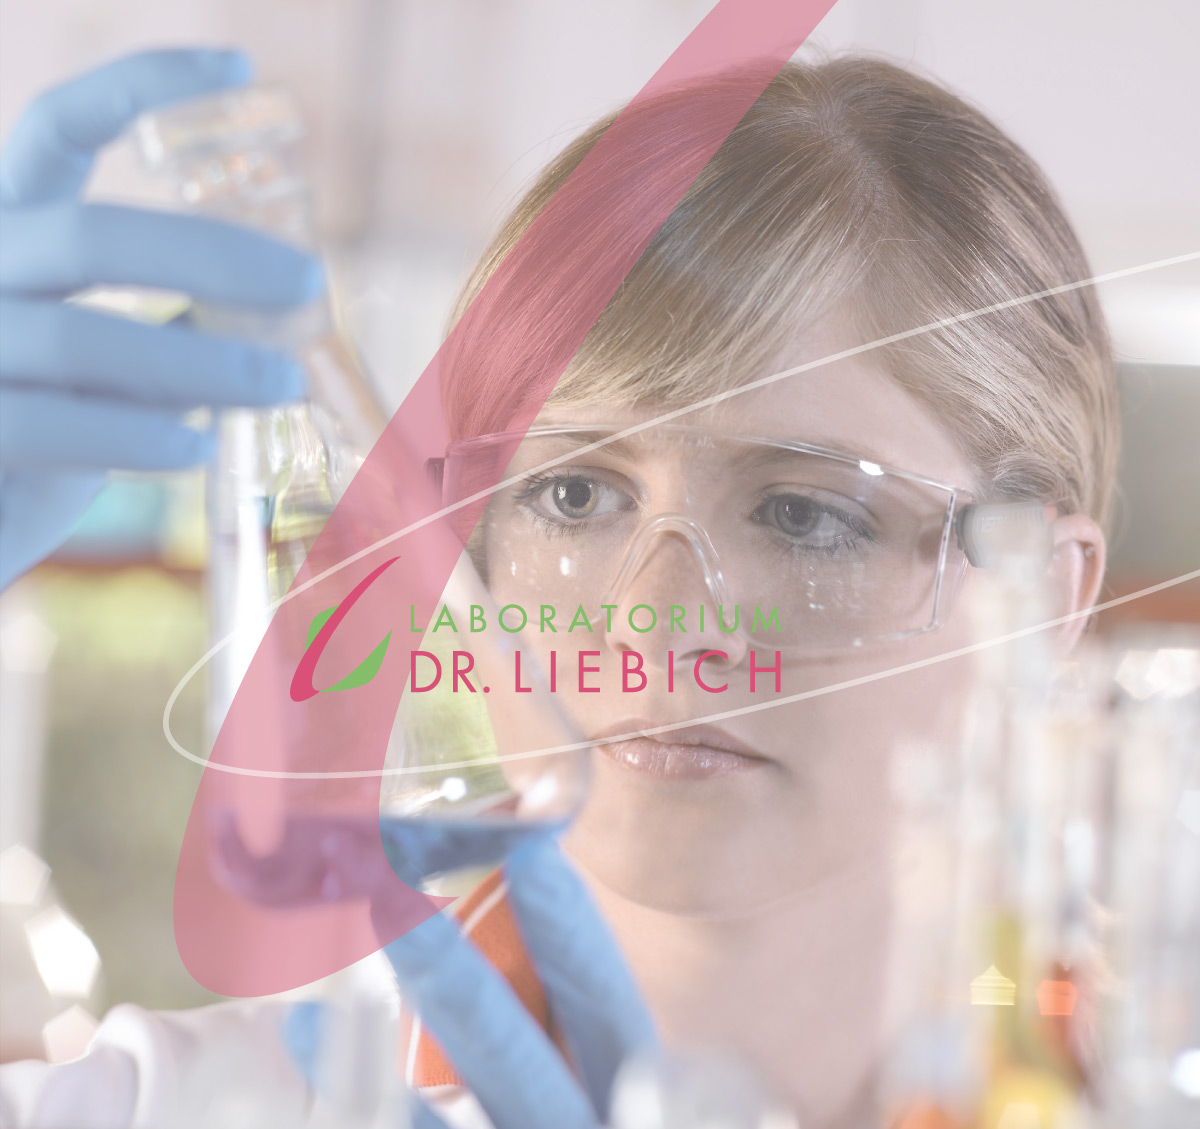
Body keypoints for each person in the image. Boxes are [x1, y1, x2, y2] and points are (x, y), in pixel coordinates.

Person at [0, 42, 1116, 1129]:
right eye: (576, 495)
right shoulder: (202, 1104)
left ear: (1044, 605)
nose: (650, 624)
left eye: (805, 514)